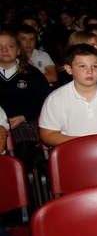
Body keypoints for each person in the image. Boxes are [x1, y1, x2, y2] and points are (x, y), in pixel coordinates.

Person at [39, 44, 97, 146]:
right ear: (69, 69)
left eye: (94, 66)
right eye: (82, 66)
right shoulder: (56, 98)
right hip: (73, 148)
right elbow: (48, 134)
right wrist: (84, 144)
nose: (90, 71)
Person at [0, 31, 51, 167]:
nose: (4, 50)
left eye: (9, 46)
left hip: (25, 121)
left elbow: (44, 101)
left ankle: (21, 174)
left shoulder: (32, 74)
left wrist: (24, 116)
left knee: (24, 146)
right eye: (0, 47)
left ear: (18, 51)